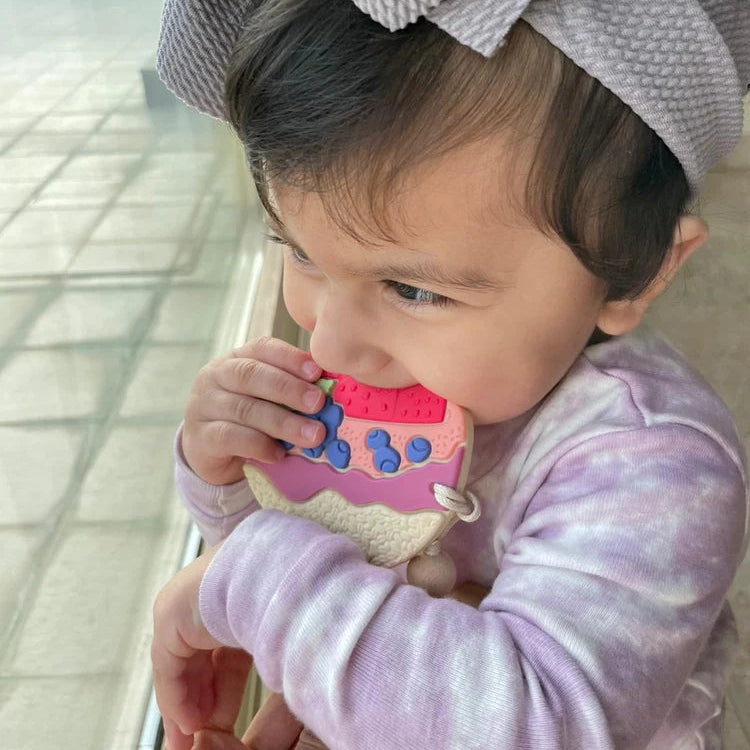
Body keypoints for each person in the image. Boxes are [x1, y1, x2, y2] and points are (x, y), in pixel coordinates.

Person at [150, 1, 750, 748]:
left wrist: (254, 581)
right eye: (300, 251)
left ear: (638, 274)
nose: (329, 345)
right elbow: (318, 551)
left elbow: (539, 727)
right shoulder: (385, 367)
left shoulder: (656, 466)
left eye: (414, 291)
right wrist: (231, 480)